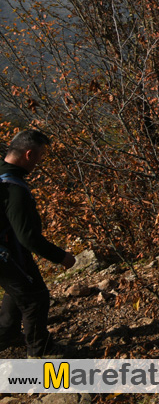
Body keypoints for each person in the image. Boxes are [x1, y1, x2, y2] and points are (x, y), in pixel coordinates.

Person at [0, 129, 76, 357]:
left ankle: (6, 335)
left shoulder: (3, 176)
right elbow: (28, 237)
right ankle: (41, 352)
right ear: (29, 154)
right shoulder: (14, 189)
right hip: (7, 254)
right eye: (40, 156)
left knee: (19, 290)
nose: (40, 161)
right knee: (35, 298)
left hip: (10, 252)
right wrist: (61, 256)